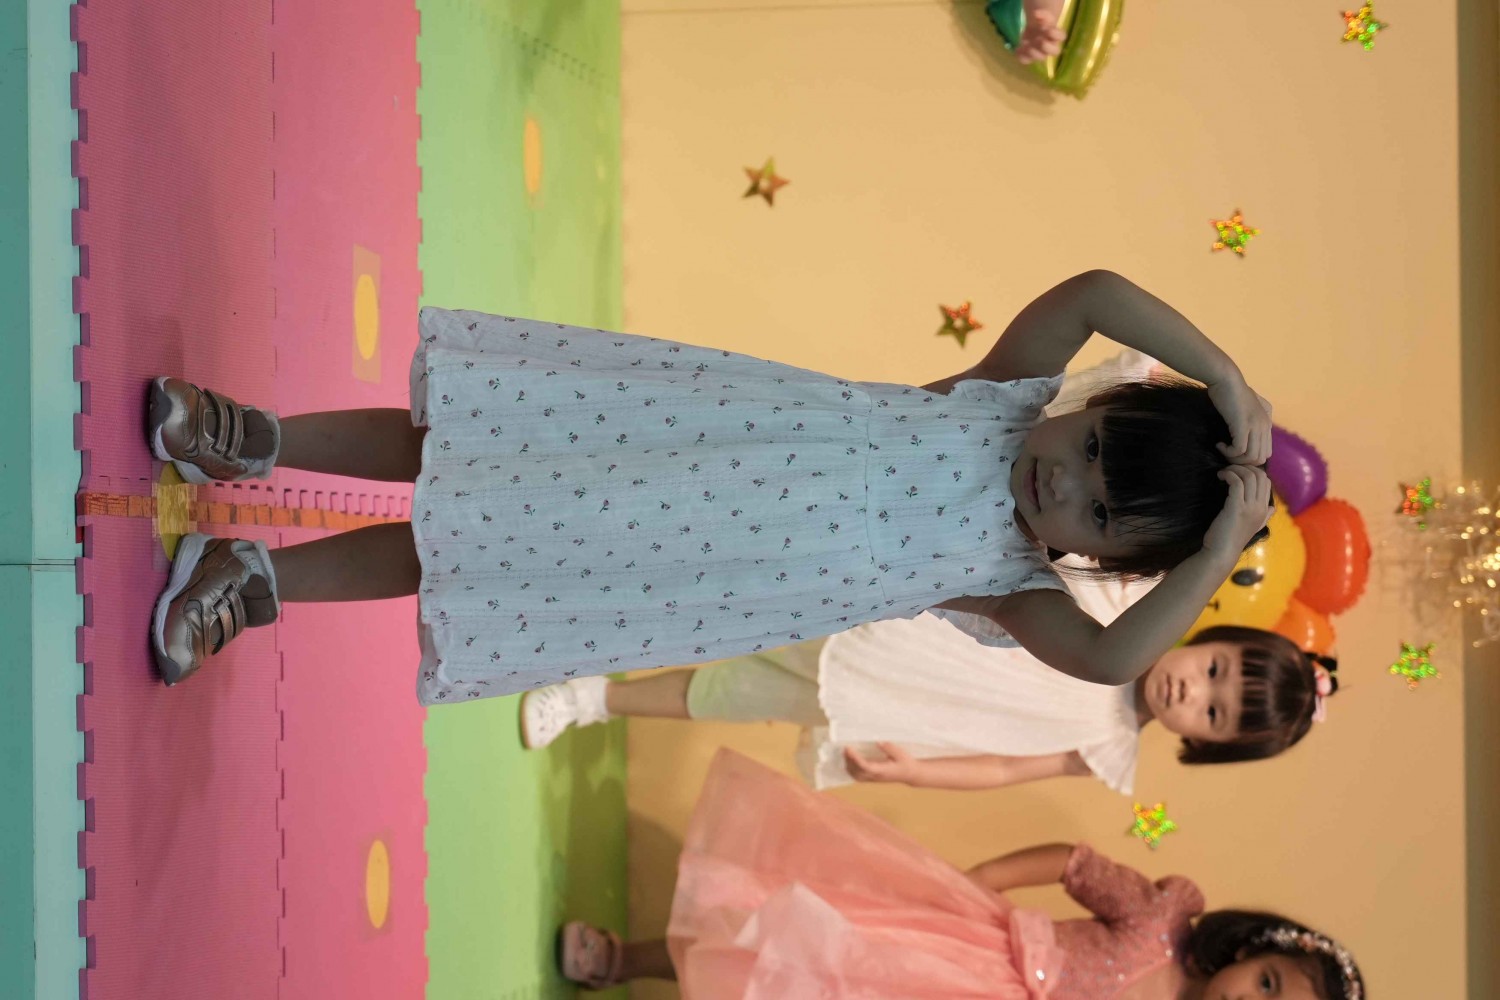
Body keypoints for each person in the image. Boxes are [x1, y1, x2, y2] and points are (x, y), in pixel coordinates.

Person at [147, 269, 1272, 705]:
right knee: (467, 441)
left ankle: (256, 584)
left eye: (1096, 511)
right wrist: (1222, 375)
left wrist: (1218, 554)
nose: (1065, 479)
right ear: (1094, 403)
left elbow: (1115, 660)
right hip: (687, 437)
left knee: (469, 554)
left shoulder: (1013, 585)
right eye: (1093, 446)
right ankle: (258, 438)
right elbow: (1096, 292)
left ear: (1098, 555)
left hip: (686, 572)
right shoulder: (1005, 398)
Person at [556, 750, 1366, 1000]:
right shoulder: (1163, 923)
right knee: (790, 940)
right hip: (969, 952)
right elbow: (1075, 864)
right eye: (1268, 984)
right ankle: (624, 960)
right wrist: (983, 879)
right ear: (1252, 951)